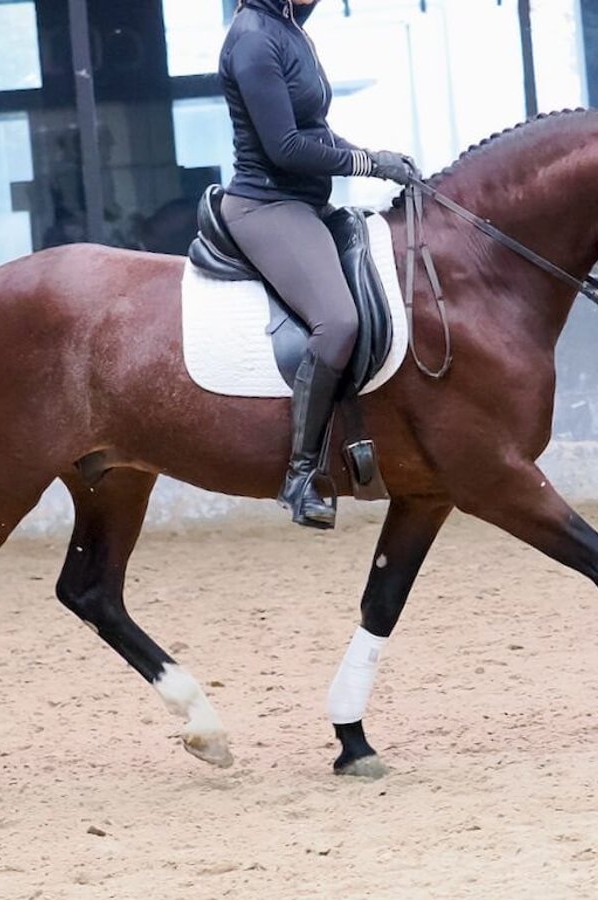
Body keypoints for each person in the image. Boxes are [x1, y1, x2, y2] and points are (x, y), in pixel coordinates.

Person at [219, 0, 419, 530]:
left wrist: (377, 157)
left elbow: (316, 129)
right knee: (339, 322)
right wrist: (368, 164)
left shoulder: (288, 28)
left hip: (307, 204)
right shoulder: (254, 38)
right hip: (267, 205)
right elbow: (285, 147)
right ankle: (301, 473)